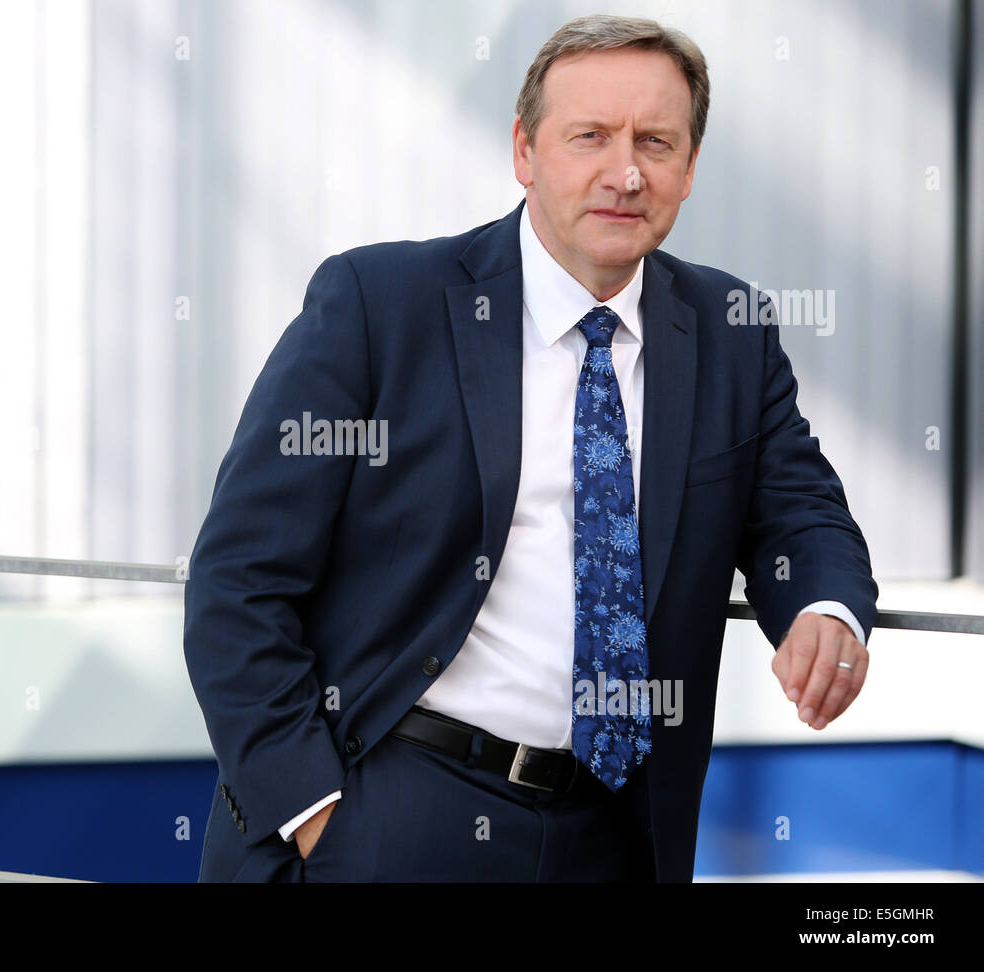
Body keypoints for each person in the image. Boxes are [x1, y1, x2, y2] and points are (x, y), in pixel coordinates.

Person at [182, 13, 878, 882]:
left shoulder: (731, 332)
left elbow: (803, 515)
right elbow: (239, 578)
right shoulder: (380, 305)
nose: (625, 173)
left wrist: (824, 611)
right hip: (394, 805)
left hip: (616, 834)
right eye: (590, 136)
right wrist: (314, 813)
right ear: (525, 151)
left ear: (690, 168)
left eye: (656, 142)